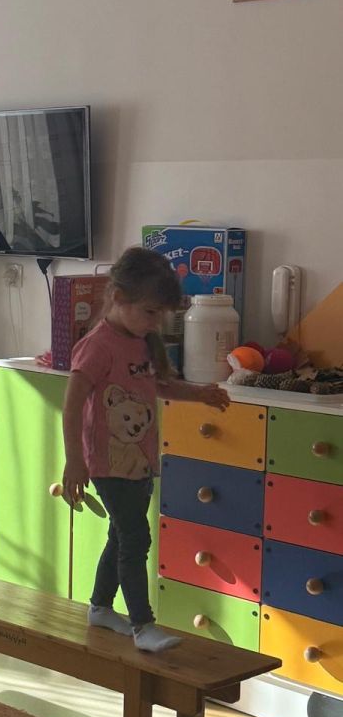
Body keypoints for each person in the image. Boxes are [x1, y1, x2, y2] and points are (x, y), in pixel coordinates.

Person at [61, 247, 230, 653]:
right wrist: (74, 461)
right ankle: (143, 626)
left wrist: (200, 394)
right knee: (137, 539)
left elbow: (157, 386)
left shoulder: (139, 341)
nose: (156, 323)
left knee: (121, 536)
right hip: (109, 464)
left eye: (161, 315)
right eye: (150, 312)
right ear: (119, 297)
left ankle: (100, 608)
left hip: (139, 462)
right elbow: (72, 405)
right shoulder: (98, 346)